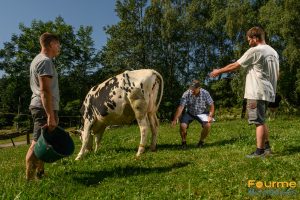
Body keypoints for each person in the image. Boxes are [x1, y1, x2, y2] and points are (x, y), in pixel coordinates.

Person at [210, 26, 279, 158]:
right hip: (268, 91)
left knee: (258, 121)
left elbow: (235, 65)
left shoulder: (255, 51)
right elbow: (277, 73)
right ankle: (267, 148)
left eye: (249, 40)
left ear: (255, 38)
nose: (248, 43)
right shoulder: (273, 52)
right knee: (262, 120)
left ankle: (259, 151)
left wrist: (218, 71)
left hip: (256, 91)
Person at [26, 32, 61, 180]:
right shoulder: (45, 61)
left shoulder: (37, 60)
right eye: (58, 44)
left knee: (43, 142)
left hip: (42, 106)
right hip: (43, 107)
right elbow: (45, 91)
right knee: (36, 143)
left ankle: (39, 174)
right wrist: (50, 115)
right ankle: (28, 181)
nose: (59, 47)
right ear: (51, 44)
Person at [171, 80, 215, 149]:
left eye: (194, 89)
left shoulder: (205, 93)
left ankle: (201, 142)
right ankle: (184, 143)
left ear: (199, 88)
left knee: (207, 125)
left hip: (202, 112)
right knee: (183, 125)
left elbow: (211, 105)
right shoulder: (186, 93)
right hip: (190, 113)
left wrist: (210, 116)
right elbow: (181, 107)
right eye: (191, 88)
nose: (192, 90)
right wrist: (174, 119)